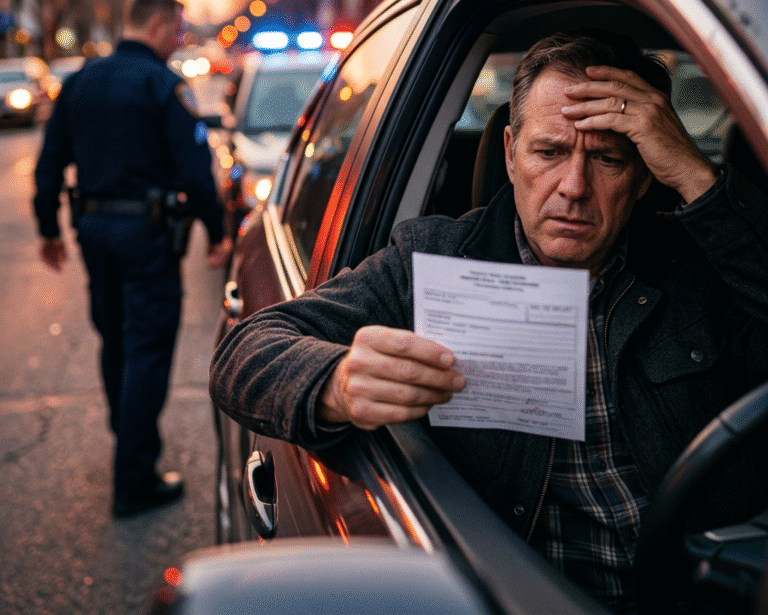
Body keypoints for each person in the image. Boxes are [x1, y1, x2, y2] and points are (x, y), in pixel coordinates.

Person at [209, 30, 768, 610]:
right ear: (509, 152)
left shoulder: (702, 267)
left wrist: (698, 177)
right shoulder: (433, 261)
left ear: (648, 173)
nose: (573, 188)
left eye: (608, 159)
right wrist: (337, 382)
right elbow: (244, 351)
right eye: (549, 153)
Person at [34, 0, 231, 518]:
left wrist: (49, 228)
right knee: (147, 347)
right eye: (179, 31)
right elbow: (195, 171)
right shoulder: (163, 86)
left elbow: (50, 162)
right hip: (147, 237)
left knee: (115, 340)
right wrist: (217, 232)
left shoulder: (79, 84)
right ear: (159, 27)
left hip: (94, 231)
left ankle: (129, 440)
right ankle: (135, 477)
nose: (180, 41)